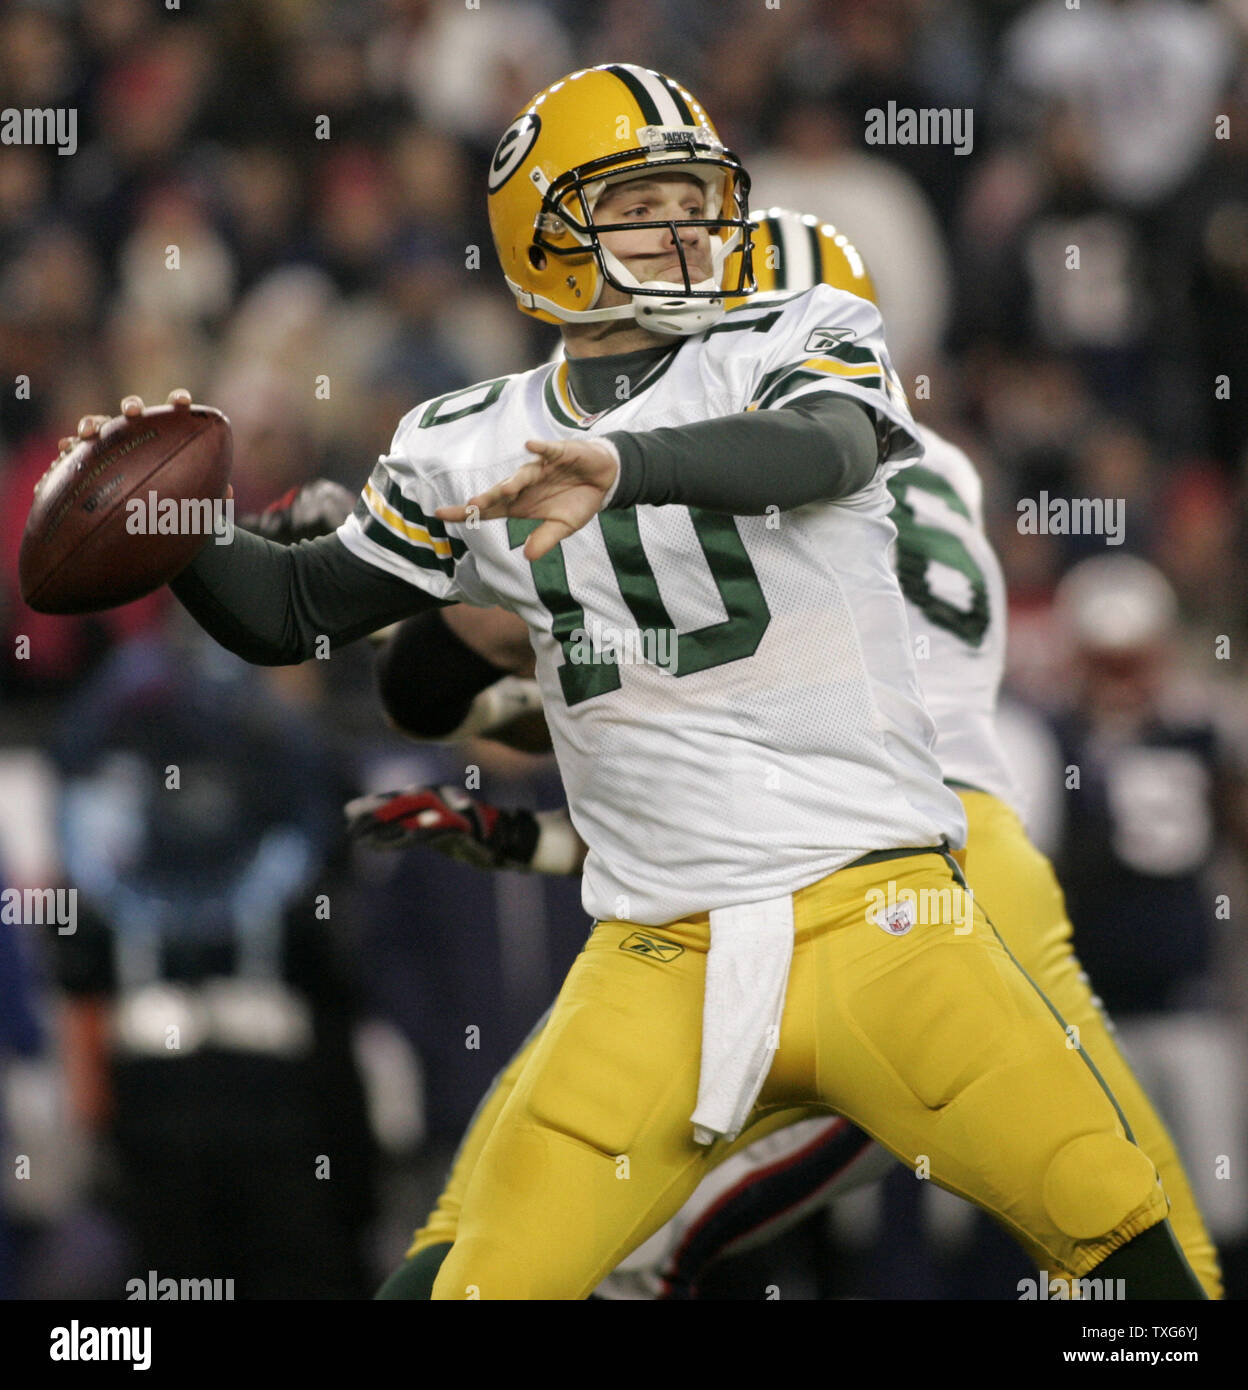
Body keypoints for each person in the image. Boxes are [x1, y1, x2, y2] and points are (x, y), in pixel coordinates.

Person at [59, 65, 1201, 1299]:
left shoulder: (792, 333)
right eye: (644, 202)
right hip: (662, 953)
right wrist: (166, 523)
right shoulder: (464, 439)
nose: (690, 231)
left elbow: (820, 448)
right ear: (544, 233)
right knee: (465, 1280)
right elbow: (293, 612)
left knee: (1121, 1242)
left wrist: (625, 463)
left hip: (889, 918)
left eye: (699, 200)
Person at [339, 210, 1220, 1300]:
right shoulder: (937, 463)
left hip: (822, 885)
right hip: (958, 856)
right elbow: (690, 704)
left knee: (533, 1235)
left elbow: (563, 693)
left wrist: (398, 568)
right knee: (1124, 1213)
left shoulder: (739, 464)